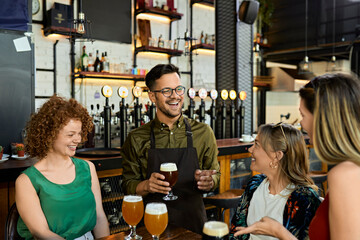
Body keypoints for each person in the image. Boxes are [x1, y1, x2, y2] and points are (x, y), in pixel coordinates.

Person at [121, 63, 220, 234]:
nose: (175, 96)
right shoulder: (136, 138)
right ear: (152, 96)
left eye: (178, 89)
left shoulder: (203, 133)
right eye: (166, 91)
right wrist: (147, 185)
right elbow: (128, 185)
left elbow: (216, 175)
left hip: (193, 225)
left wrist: (210, 181)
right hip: (153, 224)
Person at [15, 95, 110, 239]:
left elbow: (100, 217)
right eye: (71, 134)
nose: (78, 139)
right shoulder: (26, 181)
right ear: (49, 135)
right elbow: (40, 232)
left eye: (79, 133)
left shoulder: (88, 168)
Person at [230, 123, 321, 240]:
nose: (250, 149)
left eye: (256, 145)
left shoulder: (304, 198)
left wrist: (278, 231)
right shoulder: (255, 184)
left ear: (277, 156)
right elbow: (236, 232)